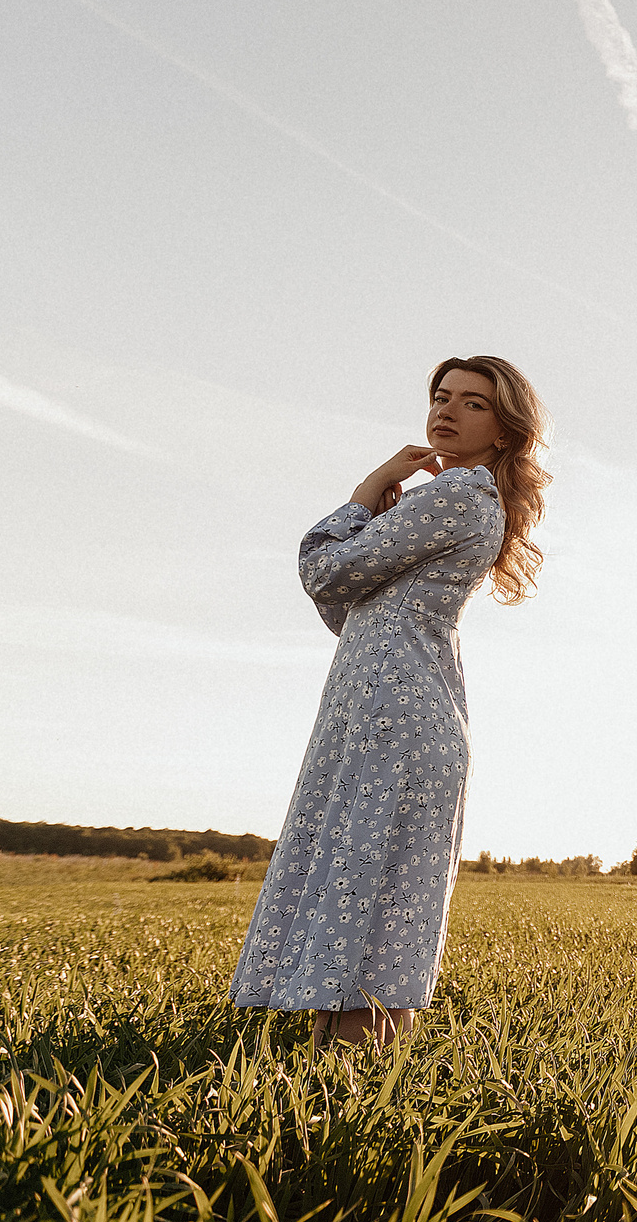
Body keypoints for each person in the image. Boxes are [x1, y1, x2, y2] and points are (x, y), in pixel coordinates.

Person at [229, 356, 550, 1047]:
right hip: (398, 709)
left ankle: (343, 1087)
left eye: (473, 403)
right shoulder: (463, 500)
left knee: (366, 888)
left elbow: (324, 567)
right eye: (442, 396)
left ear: (503, 431)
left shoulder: (458, 494)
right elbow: (353, 608)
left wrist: (369, 487)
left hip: (394, 717)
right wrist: (381, 522)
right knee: (380, 895)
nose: (448, 410)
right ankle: (364, 1081)